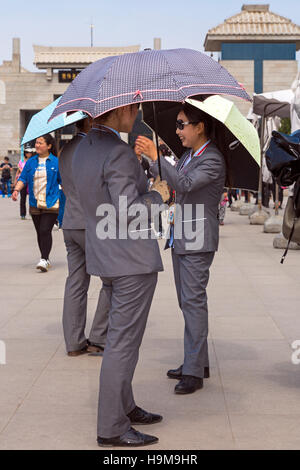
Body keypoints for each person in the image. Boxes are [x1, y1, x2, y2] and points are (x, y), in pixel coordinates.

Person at [72, 104, 170, 447]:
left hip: (105, 256)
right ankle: (112, 426)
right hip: (130, 261)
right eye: (136, 107)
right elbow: (128, 212)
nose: (138, 112)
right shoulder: (118, 152)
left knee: (121, 340)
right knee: (122, 345)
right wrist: (158, 194)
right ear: (123, 109)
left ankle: (124, 406)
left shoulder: (83, 147)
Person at [135, 102, 226, 395]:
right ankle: (197, 362)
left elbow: (184, 184)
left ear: (199, 127)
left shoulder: (211, 158)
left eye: (181, 124)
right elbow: (174, 182)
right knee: (188, 302)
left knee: (193, 303)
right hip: (182, 235)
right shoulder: (189, 155)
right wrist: (153, 161)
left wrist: (155, 156)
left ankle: (194, 372)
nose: (177, 131)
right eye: (176, 124)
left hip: (197, 239)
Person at [59, 118, 110, 357]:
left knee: (76, 283)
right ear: (90, 120)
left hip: (70, 221)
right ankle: (99, 336)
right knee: (112, 280)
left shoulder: (66, 149)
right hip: (92, 222)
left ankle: (73, 342)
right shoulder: (93, 147)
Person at [12, 134, 61, 272]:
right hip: (34, 202)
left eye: (40, 143)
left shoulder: (56, 162)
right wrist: (16, 190)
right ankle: (45, 257)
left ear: (49, 146)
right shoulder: (31, 162)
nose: (37, 145)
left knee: (45, 230)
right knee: (40, 232)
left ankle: (44, 259)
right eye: (36, 143)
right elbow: (23, 178)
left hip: (51, 202)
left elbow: (63, 181)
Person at [14, 148, 34, 219]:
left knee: (32, 198)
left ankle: (32, 212)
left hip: (31, 181)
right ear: (25, 153)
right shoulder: (21, 161)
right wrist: (15, 182)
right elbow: (19, 171)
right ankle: (23, 214)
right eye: (28, 152)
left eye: (30, 152)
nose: (29, 154)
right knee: (23, 198)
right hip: (23, 181)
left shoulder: (33, 161)